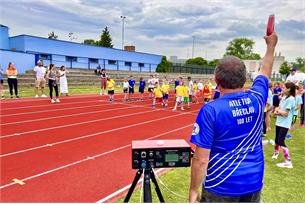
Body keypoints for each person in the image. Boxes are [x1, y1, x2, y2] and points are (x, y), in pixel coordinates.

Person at [189, 32, 278, 203]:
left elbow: (201, 159)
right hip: (253, 183)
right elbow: (265, 70)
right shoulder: (257, 98)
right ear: (245, 79)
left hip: (220, 185)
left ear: (216, 80)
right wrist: (271, 46)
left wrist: (193, 191)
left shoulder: (211, 110)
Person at [272, 82, 296, 168]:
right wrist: (276, 112)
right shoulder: (284, 97)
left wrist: (277, 111)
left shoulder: (291, 99)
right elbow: (280, 109)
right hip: (279, 122)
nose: (282, 89)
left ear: (289, 89)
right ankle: (276, 153)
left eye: (284, 88)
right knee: (277, 140)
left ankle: (288, 162)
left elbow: (286, 113)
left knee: (281, 141)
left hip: (285, 123)